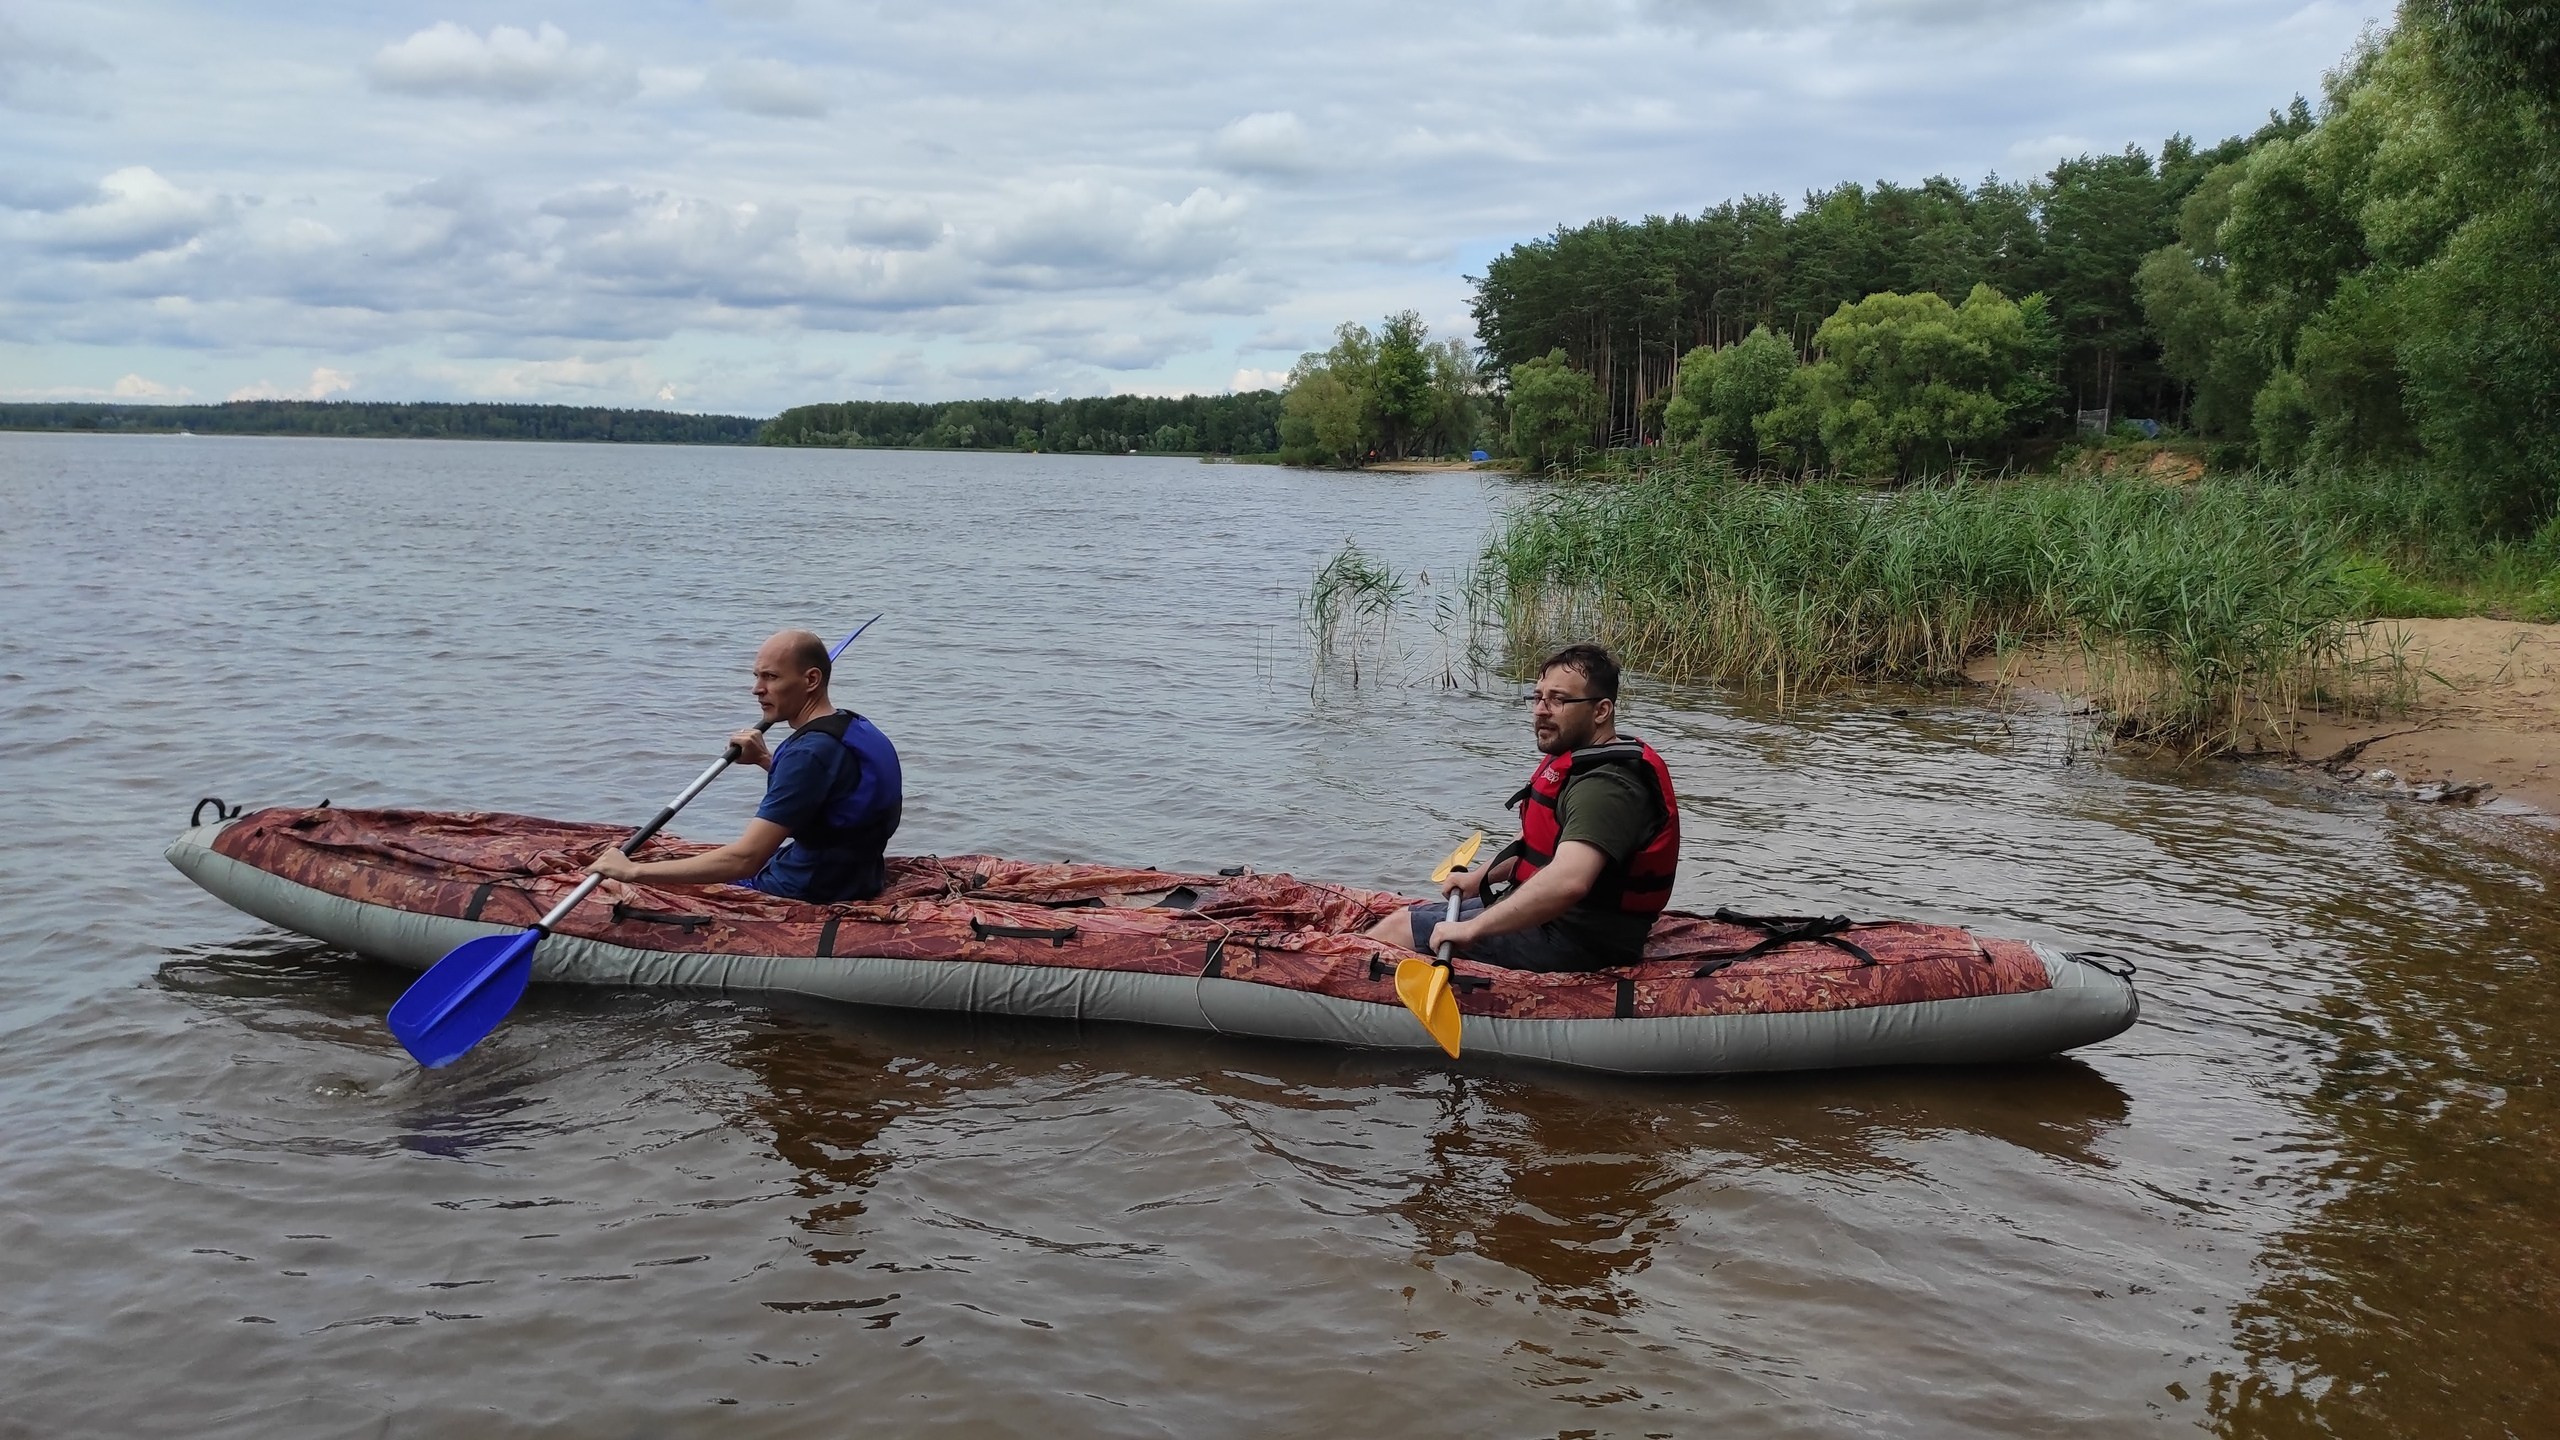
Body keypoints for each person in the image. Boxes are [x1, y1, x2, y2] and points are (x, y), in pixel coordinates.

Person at [1363, 643, 1679, 972]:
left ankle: (1333, 991)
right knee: (1404, 919)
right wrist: (1479, 878)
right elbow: (1538, 844)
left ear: (1601, 711)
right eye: (1538, 697)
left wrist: (1473, 928)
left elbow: (1569, 880)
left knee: (1401, 930)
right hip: (1555, 922)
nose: (1541, 710)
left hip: (1576, 940)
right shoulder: (1579, 761)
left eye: (1558, 700)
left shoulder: (1607, 788)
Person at [586, 629, 902, 903]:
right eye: (757, 676)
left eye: (771, 677)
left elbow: (746, 859)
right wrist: (766, 761)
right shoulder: (853, 725)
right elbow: (837, 796)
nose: (757, 689)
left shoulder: (807, 754)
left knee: (640, 887)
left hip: (807, 887)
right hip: (859, 876)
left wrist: (633, 871)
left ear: (811, 679)